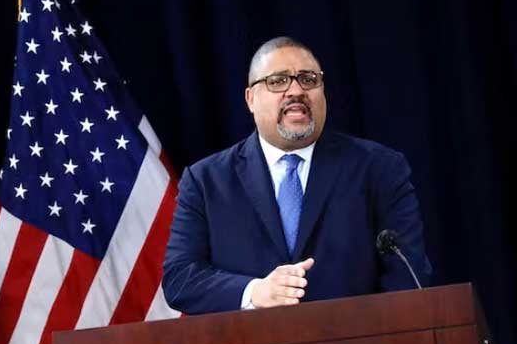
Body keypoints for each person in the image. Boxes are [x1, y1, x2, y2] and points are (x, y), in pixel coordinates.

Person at [162, 37, 431, 314]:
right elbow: (180, 278)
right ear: (250, 99)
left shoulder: (379, 168)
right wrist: (255, 291)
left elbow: (407, 274)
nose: (296, 90)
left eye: (308, 79)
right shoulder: (206, 181)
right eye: (278, 81)